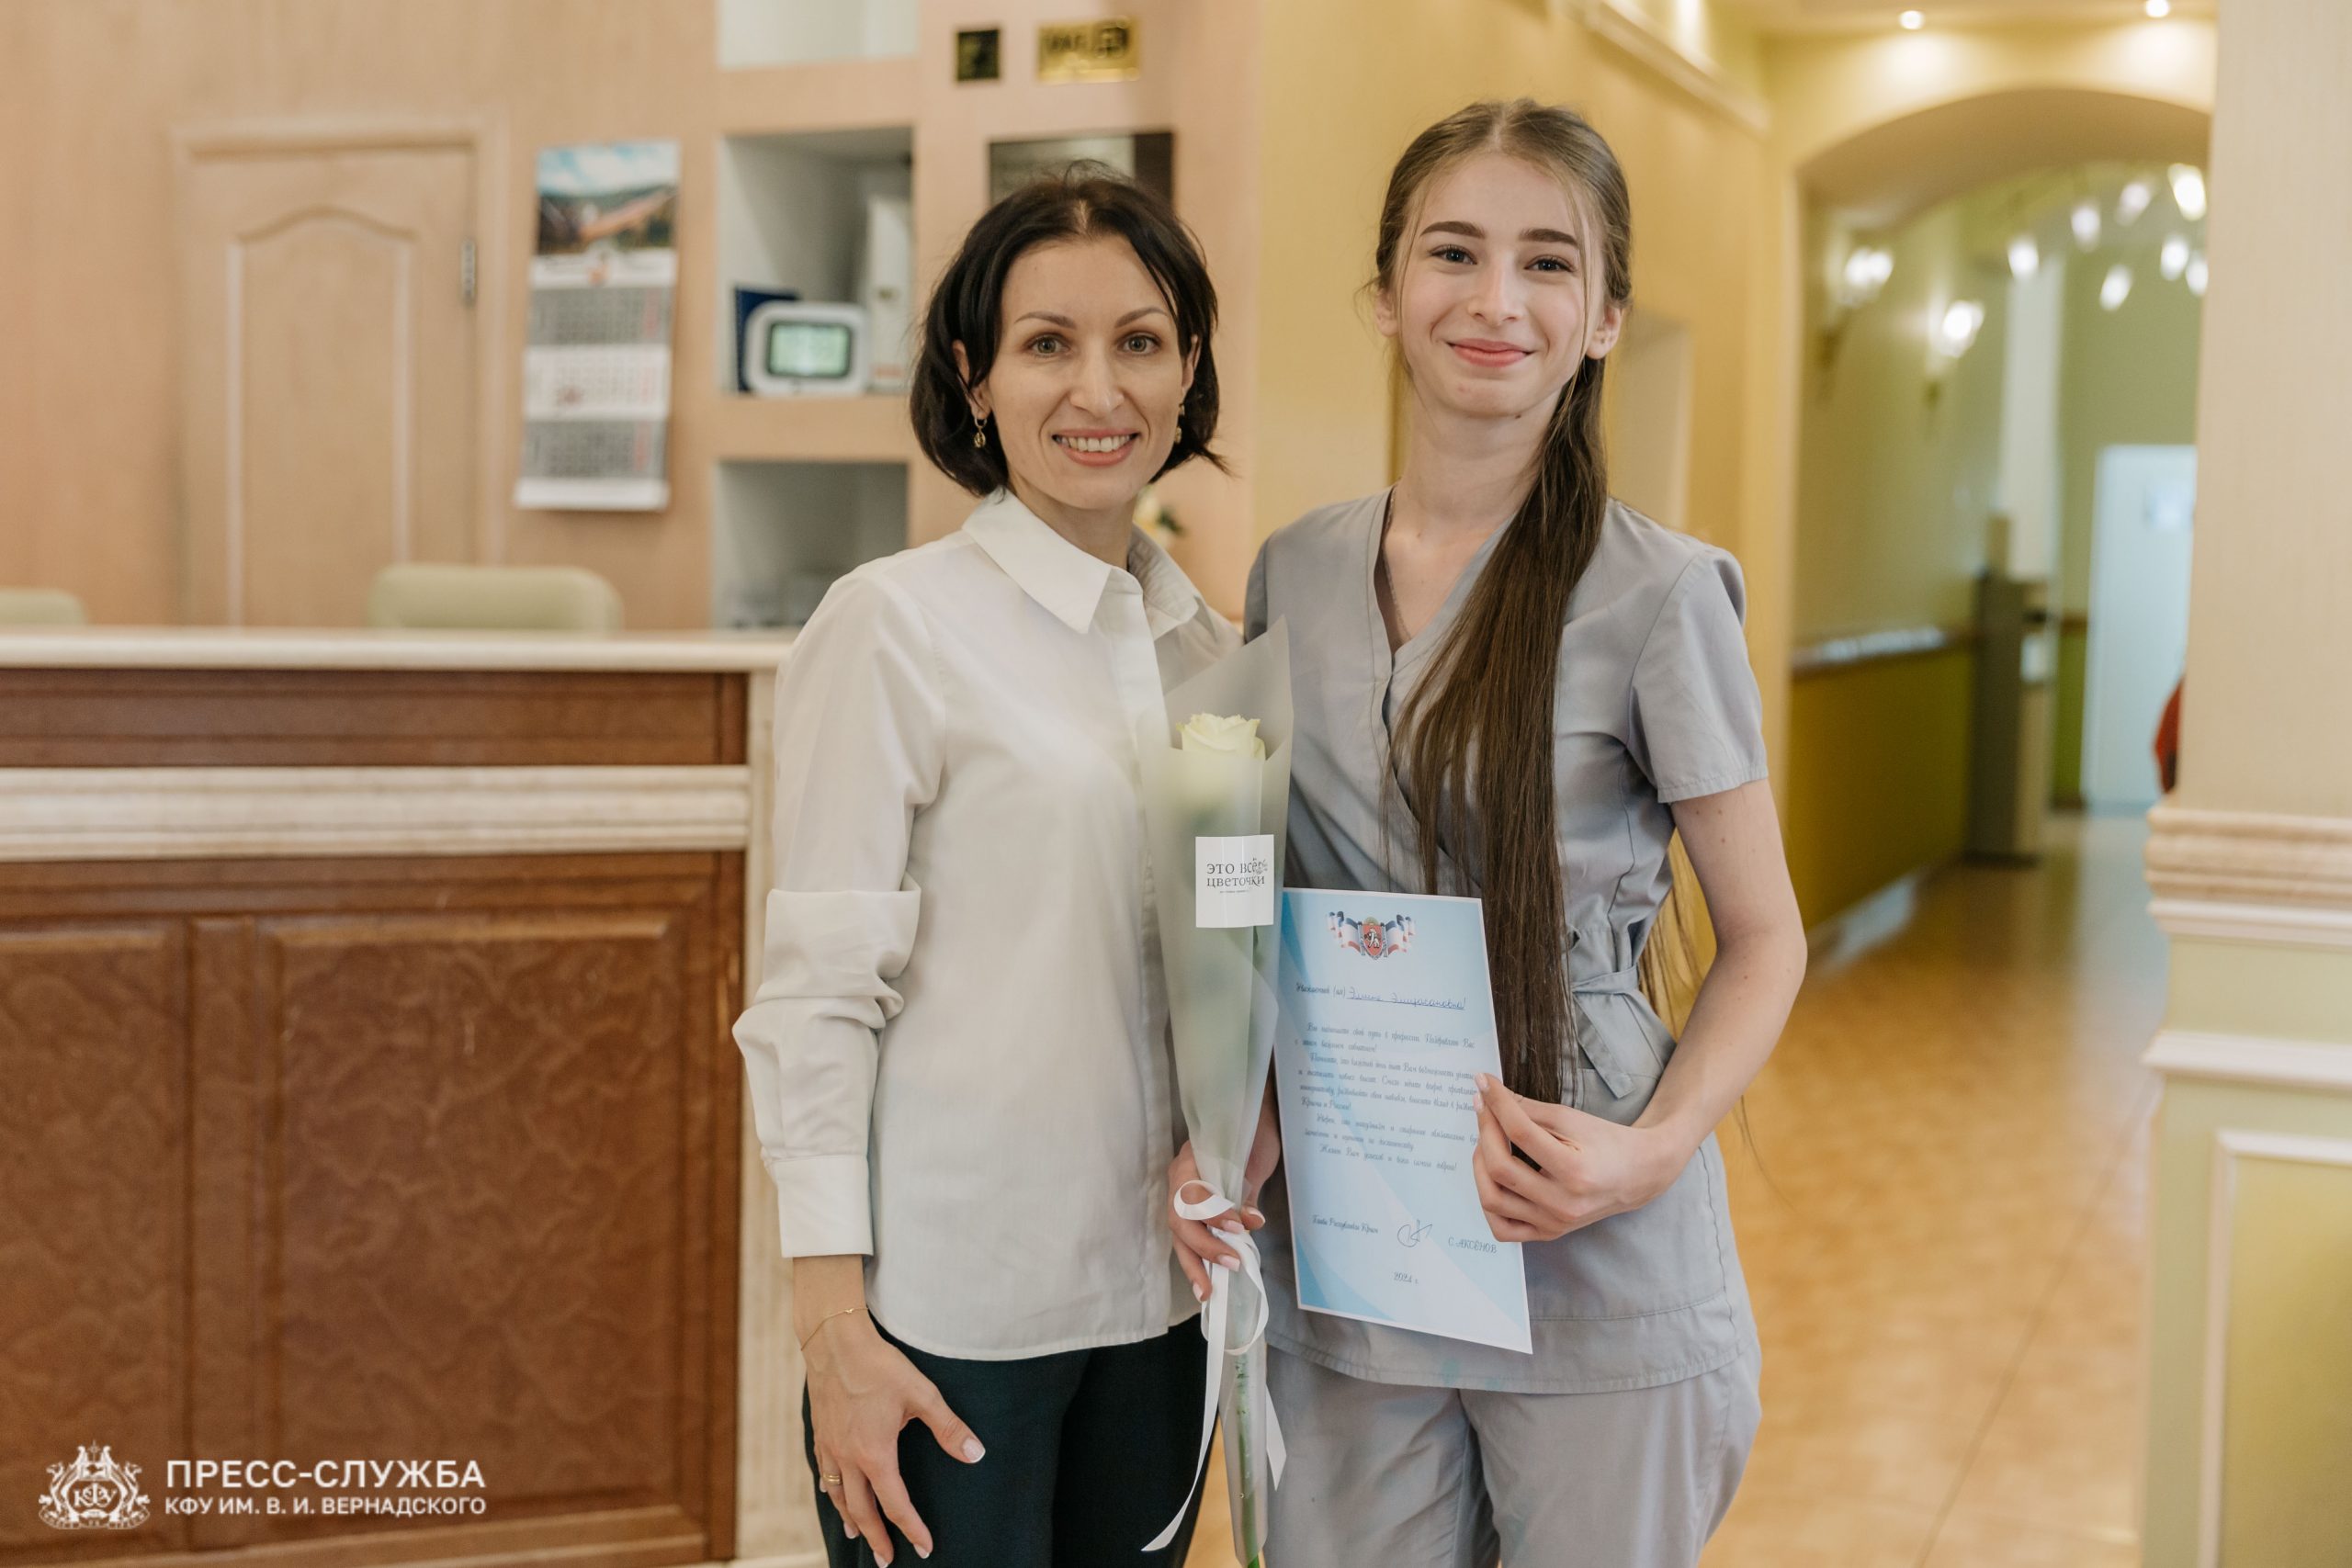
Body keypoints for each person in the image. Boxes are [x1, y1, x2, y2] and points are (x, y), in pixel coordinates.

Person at [1170, 99, 1809, 1566]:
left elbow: (1765, 937)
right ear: (1387, 294)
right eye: (1453, 252)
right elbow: (1263, 888)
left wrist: (1651, 1155)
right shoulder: (1295, 572)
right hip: (1353, 1226)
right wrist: (1235, 1112)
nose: (1496, 299)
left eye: (1547, 262)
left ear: (1604, 318)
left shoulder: (1660, 594)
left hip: (1580, 1220)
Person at [733, 166, 1234, 1568]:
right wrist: (832, 1327)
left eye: (1141, 341)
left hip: (1165, 1306)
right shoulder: (892, 628)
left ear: (1189, 371)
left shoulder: (1213, 651)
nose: (1099, 389)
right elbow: (816, 998)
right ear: (975, 377)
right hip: (950, 1325)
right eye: (1046, 343)